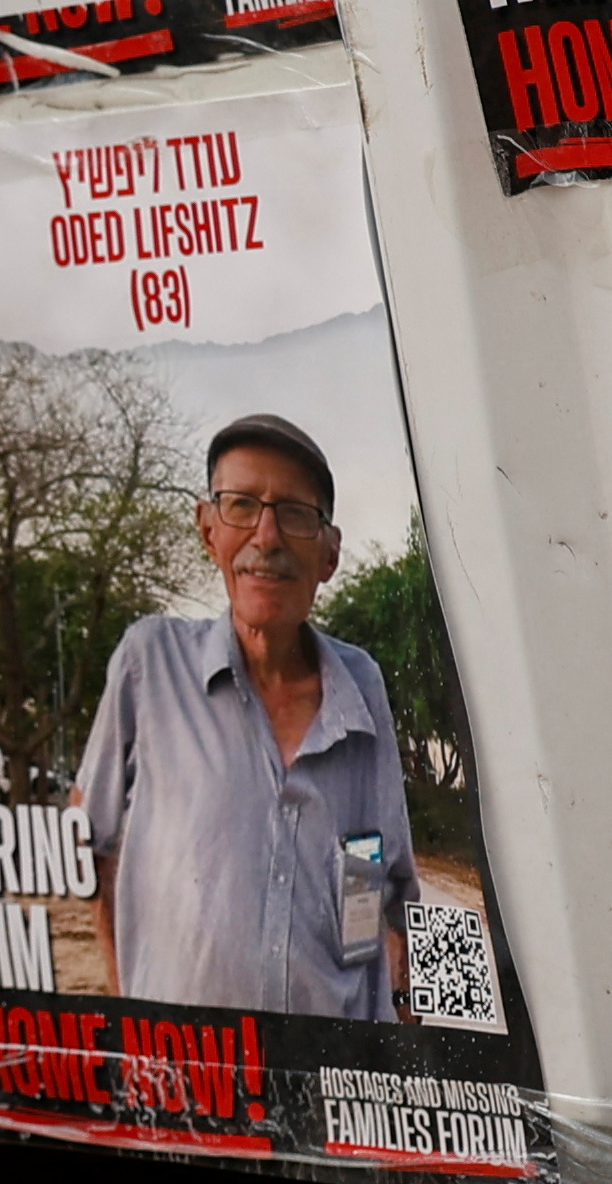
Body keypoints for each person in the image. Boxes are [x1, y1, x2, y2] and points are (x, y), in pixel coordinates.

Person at [68, 414, 414, 1020]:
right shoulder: (150, 662)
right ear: (208, 529)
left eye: (295, 514)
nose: (267, 536)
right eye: (242, 506)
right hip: (181, 1067)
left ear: (330, 553)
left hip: (332, 1065)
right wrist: (130, 1008)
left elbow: (390, 893)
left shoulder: (362, 685)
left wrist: (409, 1040)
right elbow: (87, 845)